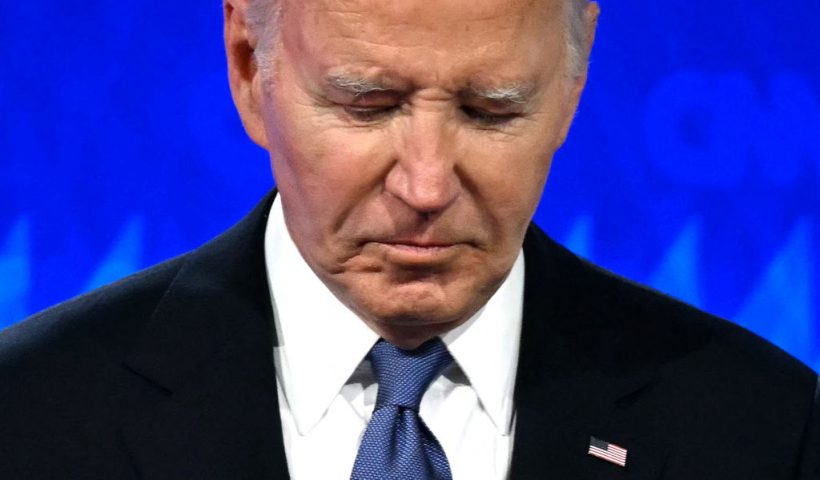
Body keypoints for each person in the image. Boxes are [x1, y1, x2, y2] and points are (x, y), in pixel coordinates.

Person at [1, 0, 817, 478]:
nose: (426, 186)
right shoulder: (29, 414)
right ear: (251, 68)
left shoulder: (762, 430)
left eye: (492, 110)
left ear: (572, 87)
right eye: (367, 104)